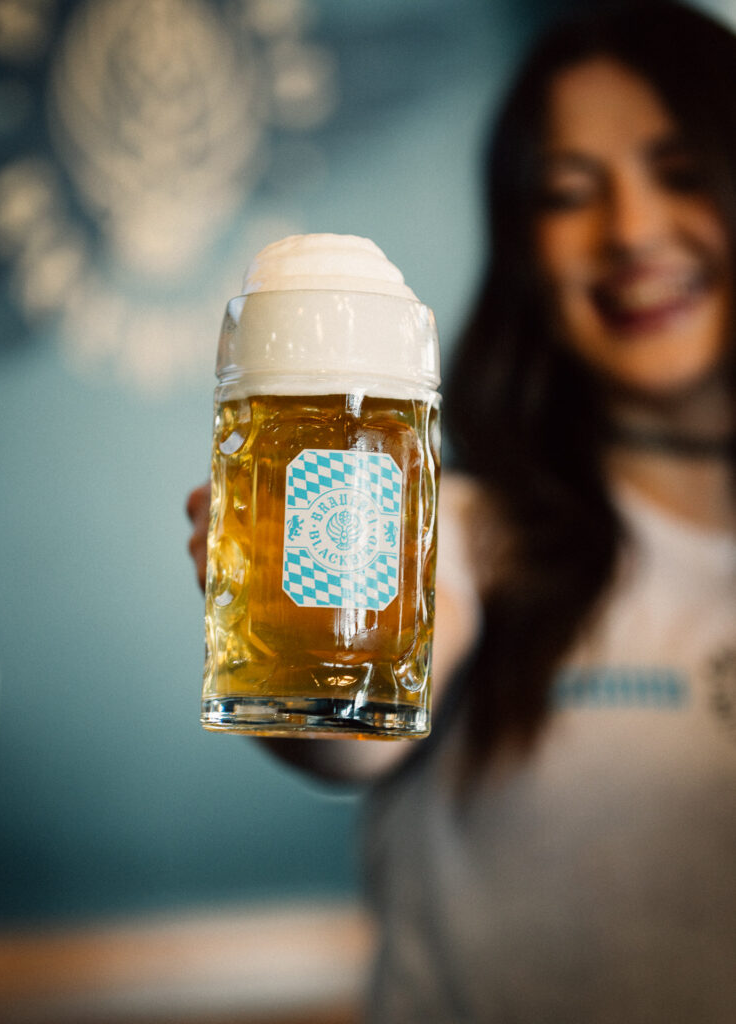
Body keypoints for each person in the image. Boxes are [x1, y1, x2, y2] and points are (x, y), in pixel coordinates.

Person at [187, 1, 736, 1020]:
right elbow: (347, 731)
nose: (630, 230)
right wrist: (310, 633)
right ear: (526, 255)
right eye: (568, 193)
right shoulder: (465, 531)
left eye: (680, 172)